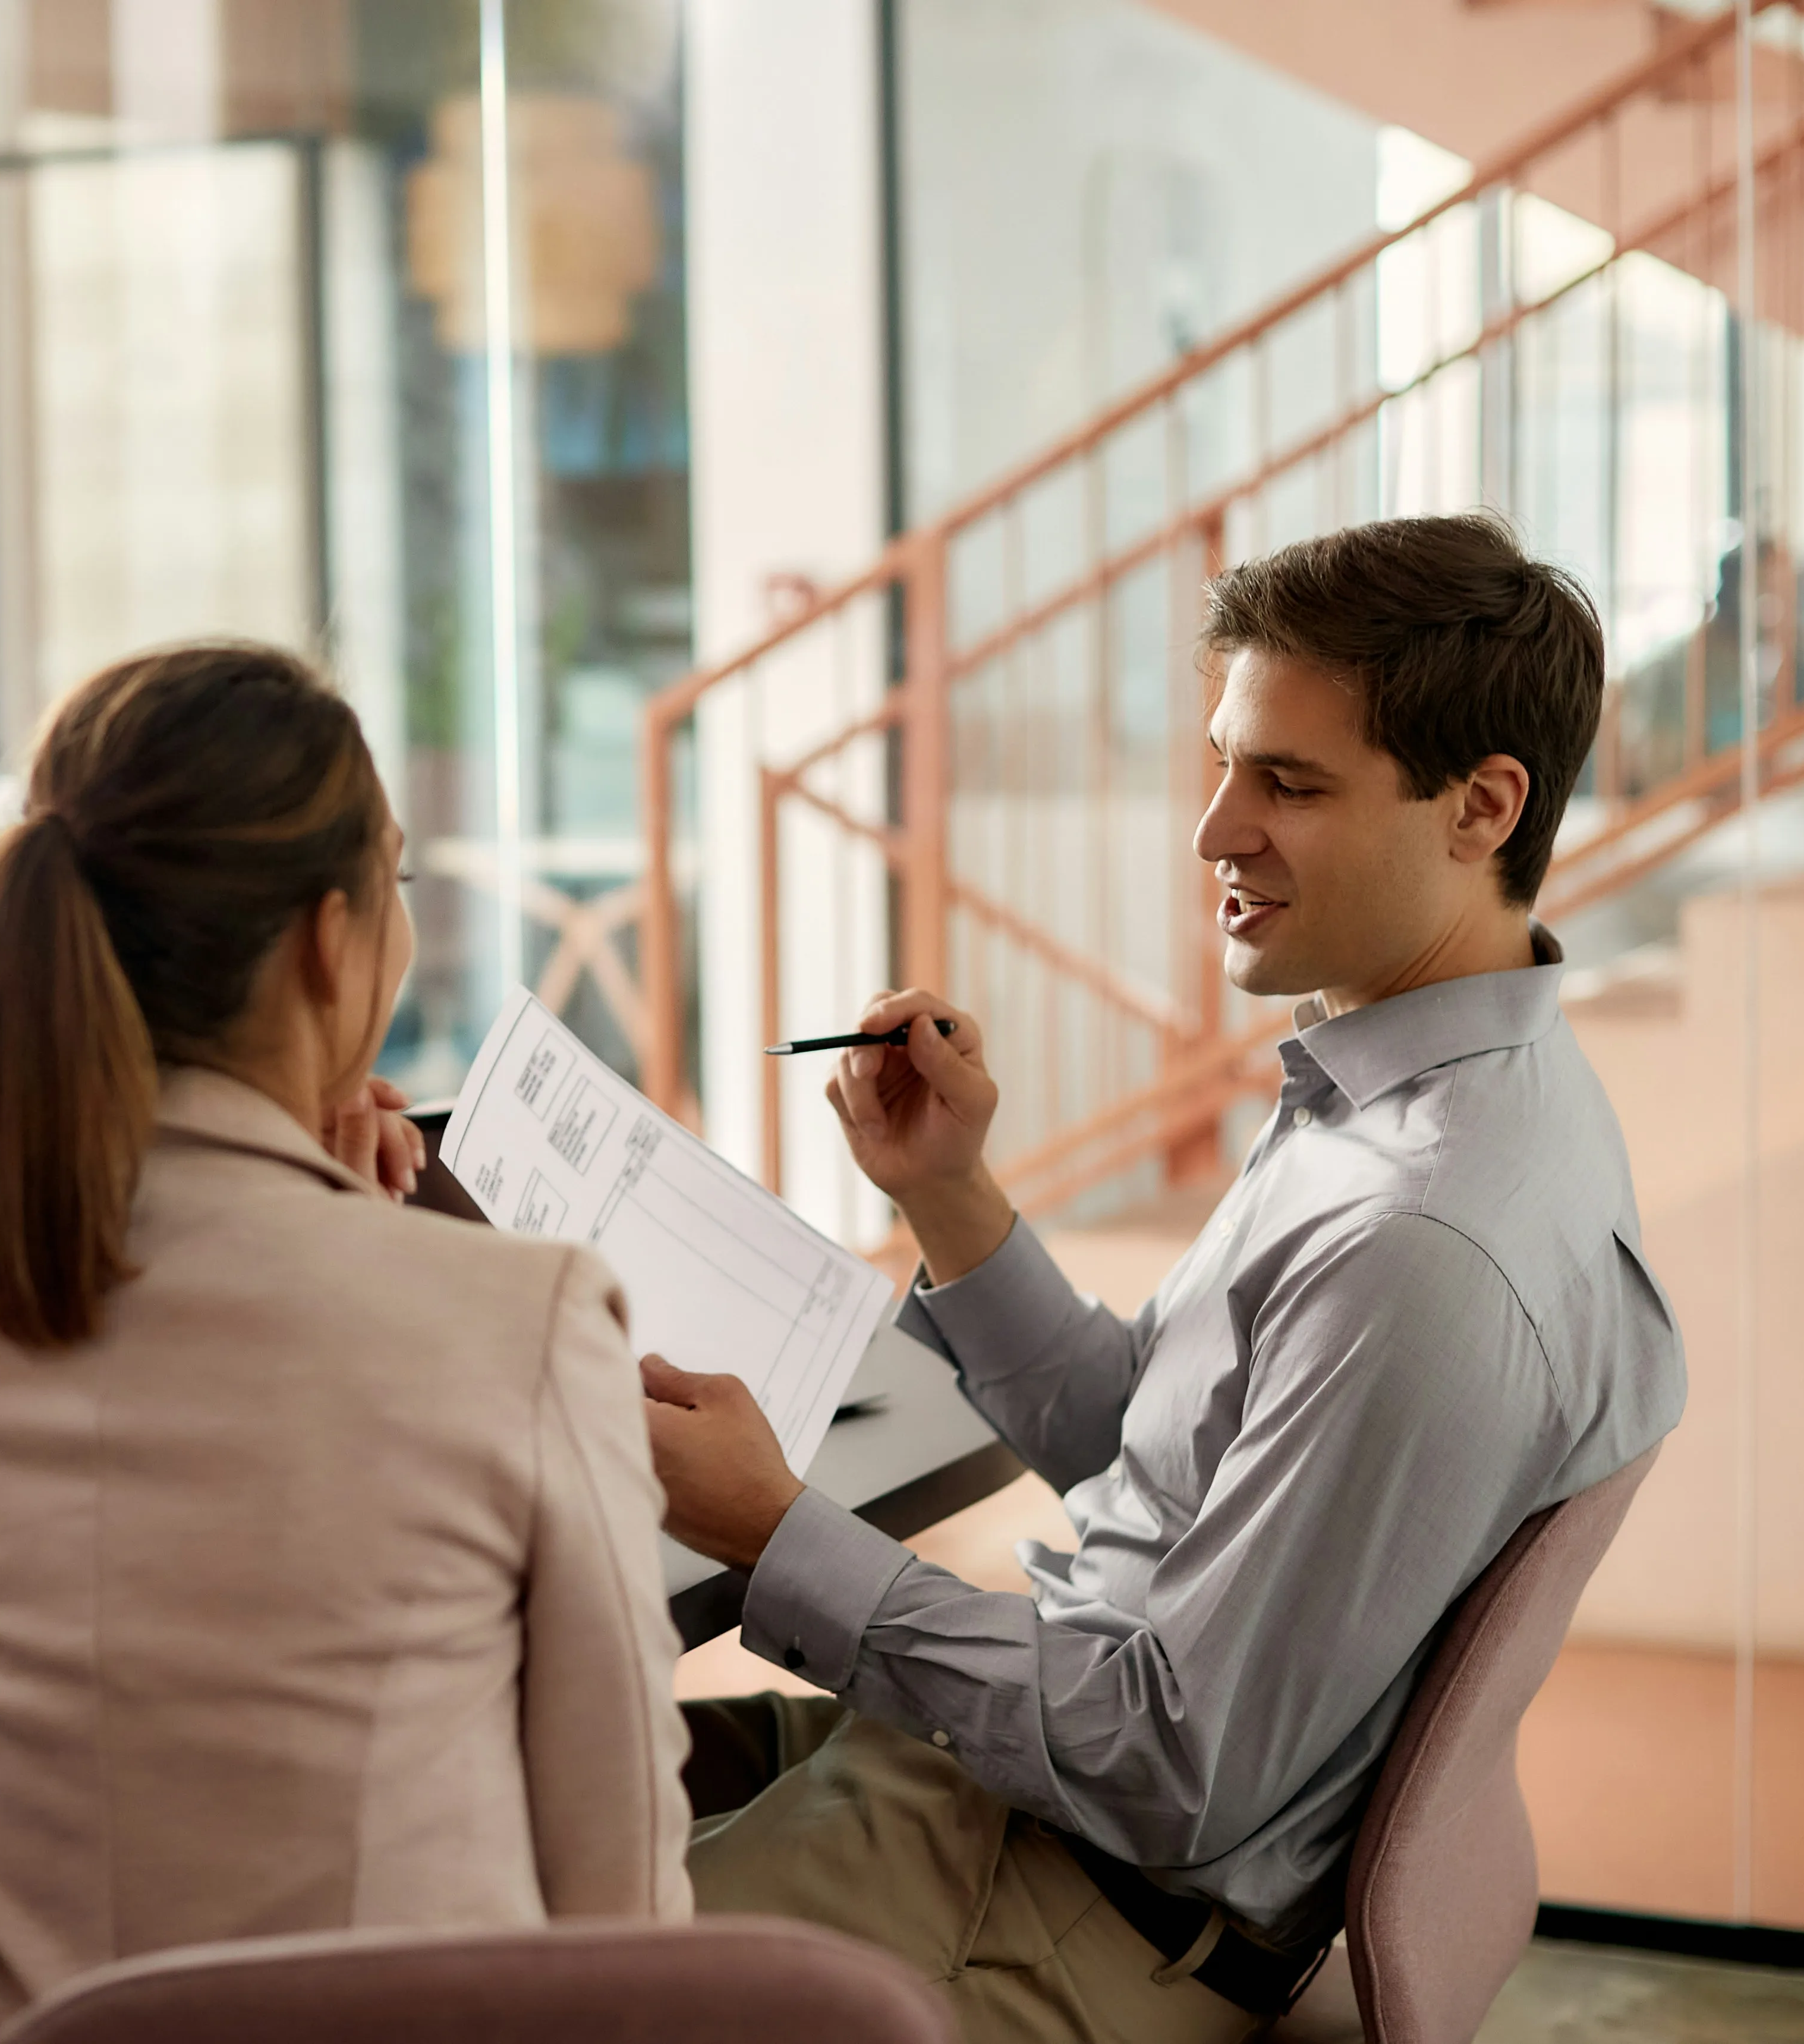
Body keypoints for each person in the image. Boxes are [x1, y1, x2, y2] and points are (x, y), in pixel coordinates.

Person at [644, 513, 1686, 2042]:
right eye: (1221, 761)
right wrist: (949, 1193)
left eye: (1288, 782)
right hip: (1003, 1788)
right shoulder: (1399, 1093)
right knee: (486, 1795)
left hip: (1065, 1895)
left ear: (1481, 807)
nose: (1213, 829)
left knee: (475, 1968)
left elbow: (1174, 1765)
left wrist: (780, 1534)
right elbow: (1157, 1439)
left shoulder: (1419, 1241)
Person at [0, 643, 691, 2040]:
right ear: (326, 943)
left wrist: (313, 1194)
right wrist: (342, 1226)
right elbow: (624, 1914)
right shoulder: (514, 1322)